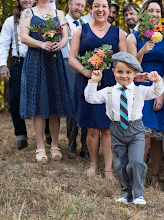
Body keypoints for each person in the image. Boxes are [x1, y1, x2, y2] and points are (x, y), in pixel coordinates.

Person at [84, 52, 164, 205]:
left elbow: (157, 91)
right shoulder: (108, 92)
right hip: (117, 130)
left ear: (135, 74)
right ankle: (126, 193)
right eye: (120, 72)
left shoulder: (140, 91)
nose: (124, 76)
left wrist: (157, 80)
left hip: (136, 130)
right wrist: (94, 81)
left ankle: (138, 194)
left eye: (128, 72)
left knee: (135, 162)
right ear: (113, 72)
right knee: (120, 164)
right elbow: (90, 98)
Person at [69, 0, 127, 179]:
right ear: (91, 9)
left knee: (108, 128)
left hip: (110, 83)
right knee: (92, 128)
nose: (100, 10)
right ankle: (94, 164)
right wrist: (86, 72)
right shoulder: (81, 29)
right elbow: (72, 58)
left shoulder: (119, 32)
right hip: (88, 82)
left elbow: (124, 60)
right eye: (96, 6)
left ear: (109, 10)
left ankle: (108, 168)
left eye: (104, 6)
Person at [20, 0, 74, 163]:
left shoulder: (59, 13)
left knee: (54, 101)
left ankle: (55, 145)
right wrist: (41, 44)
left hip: (54, 60)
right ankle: (40, 147)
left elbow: (65, 37)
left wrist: (60, 44)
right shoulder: (29, 12)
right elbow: (23, 37)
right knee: (38, 102)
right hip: (36, 60)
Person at [127, 0, 164, 185]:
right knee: (143, 133)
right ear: (144, 14)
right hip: (141, 87)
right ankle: (139, 175)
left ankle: (155, 176)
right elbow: (131, 66)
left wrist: (161, 93)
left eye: (158, 11)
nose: (155, 14)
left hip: (161, 86)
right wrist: (142, 50)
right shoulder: (133, 37)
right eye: (150, 11)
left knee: (158, 134)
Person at [0, 0, 52, 150]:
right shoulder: (11, 21)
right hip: (19, 62)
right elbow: (3, 44)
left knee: (43, 97)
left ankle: (48, 134)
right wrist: (3, 64)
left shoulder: (43, 17)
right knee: (14, 98)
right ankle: (21, 137)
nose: (27, 0)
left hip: (40, 60)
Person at [61, 0, 90, 161]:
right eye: (76, 4)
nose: (79, 8)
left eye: (82, 6)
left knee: (87, 102)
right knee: (72, 105)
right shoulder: (60, 23)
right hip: (68, 65)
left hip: (86, 66)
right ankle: (71, 145)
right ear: (69, 4)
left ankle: (85, 147)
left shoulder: (86, 23)